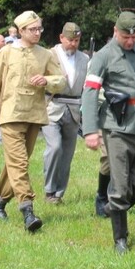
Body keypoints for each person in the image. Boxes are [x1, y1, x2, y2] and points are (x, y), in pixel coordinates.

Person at [81, 11, 135, 254]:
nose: (130, 41)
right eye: (126, 36)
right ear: (116, 31)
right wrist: (90, 130)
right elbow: (90, 92)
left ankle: (114, 207)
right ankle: (120, 239)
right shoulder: (103, 56)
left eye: (134, 36)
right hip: (116, 125)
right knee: (120, 182)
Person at [0, 11, 66, 231]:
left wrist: (47, 80)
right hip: (10, 115)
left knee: (16, 163)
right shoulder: (5, 53)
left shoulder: (46, 54)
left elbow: (61, 81)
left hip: (34, 115)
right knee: (19, 163)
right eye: (33, 29)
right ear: (21, 31)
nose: (38, 32)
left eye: (40, 28)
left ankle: (0, 203)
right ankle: (27, 210)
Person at [42, 22, 89, 204]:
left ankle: (58, 194)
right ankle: (49, 190)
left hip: (74, 108)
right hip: (51, 107)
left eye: (76, 40)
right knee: (54, 147)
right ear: (61, 38)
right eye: (70, 40)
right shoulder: (48, 55)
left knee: (67, 153)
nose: (73, 44)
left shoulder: (84, 59)